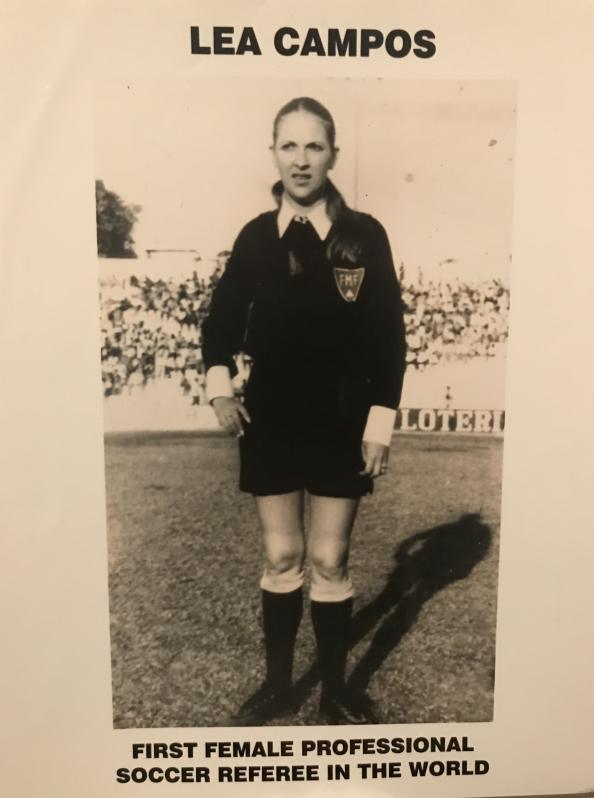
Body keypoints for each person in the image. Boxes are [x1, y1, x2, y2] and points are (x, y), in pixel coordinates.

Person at [201, 97, 406, 725]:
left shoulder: (363, 235)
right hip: (273, 419)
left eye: (314, 146)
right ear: (273, 154)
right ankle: (277, 686)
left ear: (334, 155)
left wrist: (379, 424)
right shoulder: (255, 237)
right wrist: (219, 386)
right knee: (283, 557)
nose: (301, 159)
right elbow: (222, 320)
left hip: (342, 420)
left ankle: (335, 693)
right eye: (289, 146)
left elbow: (388, 337)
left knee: (329, 560)